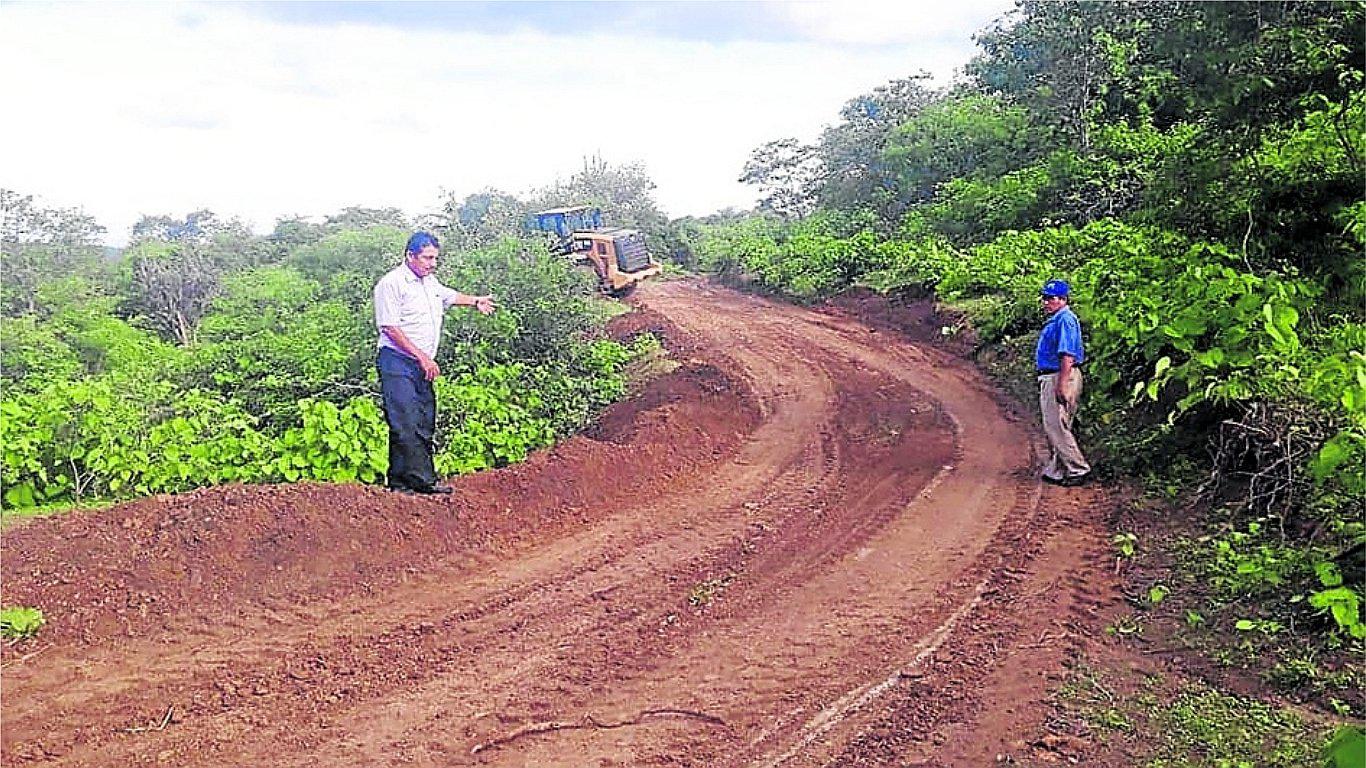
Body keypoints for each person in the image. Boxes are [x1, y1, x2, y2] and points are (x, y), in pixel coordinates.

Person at [374, 231, 497, 494]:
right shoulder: (392, 284)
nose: (432, 263)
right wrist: (422, 357)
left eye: (435, 258)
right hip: (398, 361)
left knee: (423, 420)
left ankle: (411, 481)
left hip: (421, 364)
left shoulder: (430, 283)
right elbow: (389, 327)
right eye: (427, 258)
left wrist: (476, 301)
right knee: (404, 422)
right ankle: (411, 482)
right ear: (410, 256)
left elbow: (450, 297)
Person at [1036, 278, 1091, 486]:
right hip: (1056, 374)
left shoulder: (1065, 319)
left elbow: (1067, 354)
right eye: (1045, 298)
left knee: (1055, 425)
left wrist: (1062, 383)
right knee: (1059, 423)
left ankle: (1078, 469)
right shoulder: (1057, 319)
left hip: (1060, 374)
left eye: (1051, 299)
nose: (1046, 302)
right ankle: (1057, 469)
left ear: (1063, 299)